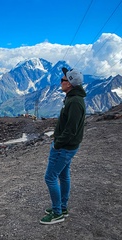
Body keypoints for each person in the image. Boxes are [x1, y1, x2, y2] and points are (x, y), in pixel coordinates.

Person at [40, 67, 86, 225]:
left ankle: (57, 212)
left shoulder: (74, 102)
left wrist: (57, 144)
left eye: (63, 80)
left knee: (50, 177)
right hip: (68, 146)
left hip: (64, 147)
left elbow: (71, 129)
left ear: (70, 84)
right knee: (63, 176)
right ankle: (62, 207)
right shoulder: (72, 99)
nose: (61, 82)